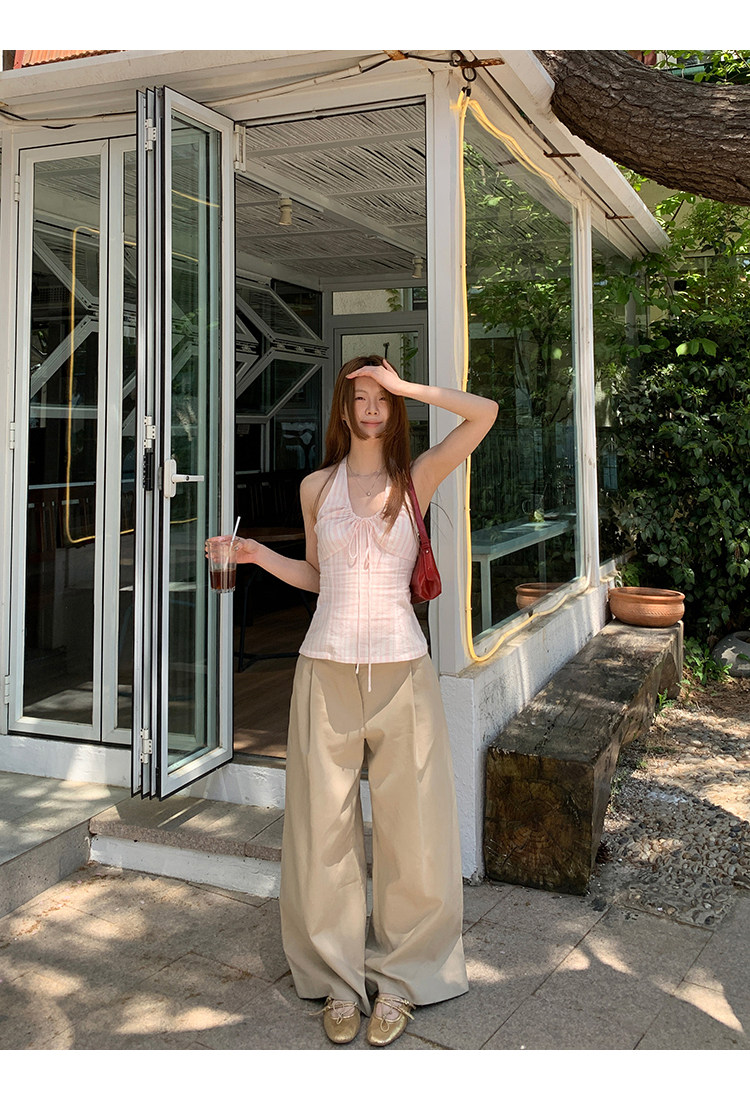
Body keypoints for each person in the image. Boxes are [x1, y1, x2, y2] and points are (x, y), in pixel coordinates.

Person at [207, 355, 497, 1046]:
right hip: (325, 668)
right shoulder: (316, 487)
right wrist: (256, 555)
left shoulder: (415, 479)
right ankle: (336, 981)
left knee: (414, 830)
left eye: (382, 398)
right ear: (343, 410)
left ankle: (403, 982)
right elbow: (318, 575)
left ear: (393, 409)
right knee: (321, 830)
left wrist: (407, 384)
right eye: (360, 397)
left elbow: (483, 414)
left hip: (403, 672)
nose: (371, 407)